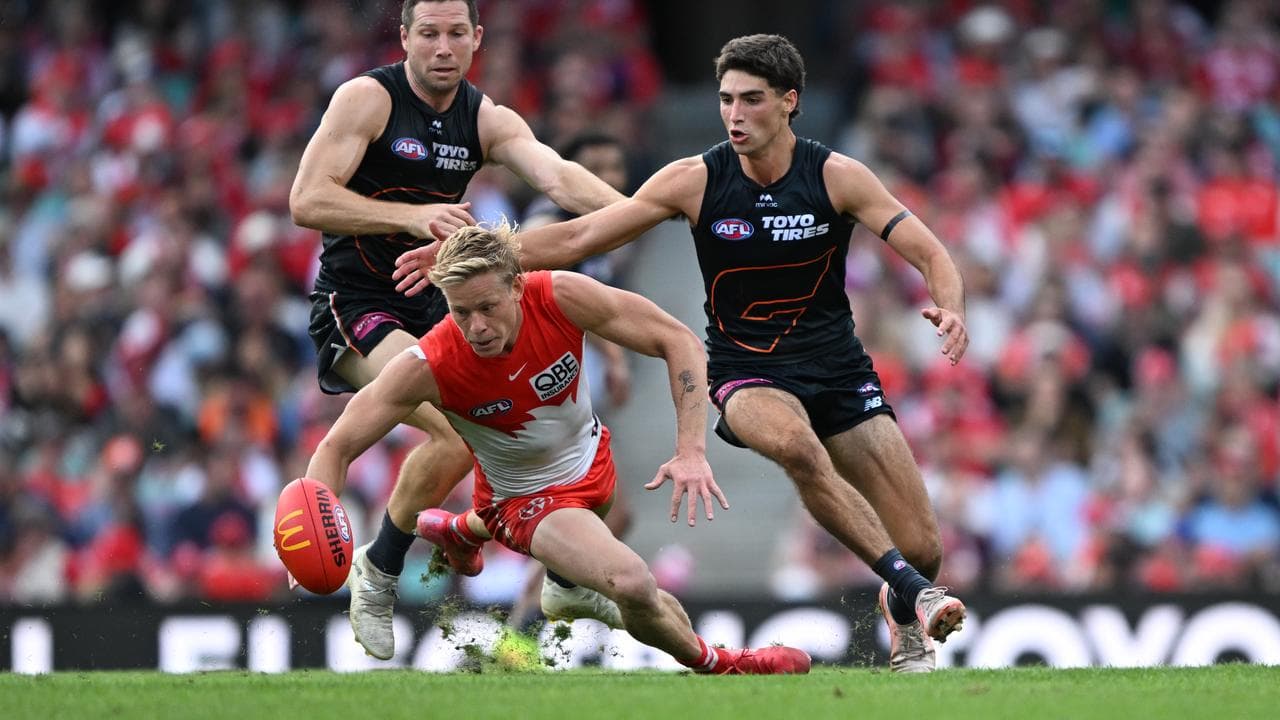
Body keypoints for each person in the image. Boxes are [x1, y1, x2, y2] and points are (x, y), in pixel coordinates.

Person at [395, 33, 968, 673]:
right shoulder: (695, 179)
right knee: (799, 449)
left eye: (752, 100)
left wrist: (950, 305)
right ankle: (916, 594)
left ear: (789, 102)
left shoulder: (836, 176)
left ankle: (905, 592)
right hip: (748, 374)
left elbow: (928, 250)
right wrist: (472, 255)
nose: (734, 115)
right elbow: (581, 235)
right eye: (726, 100)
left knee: (923, 547)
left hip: (839, 369)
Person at [305, 223, 810, 675]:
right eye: (461, 312)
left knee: (657, 603)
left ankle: (503, 554)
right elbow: (337, 445)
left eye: (487, 307)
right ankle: (725, 665)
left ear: (517, 286)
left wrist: (691, 450)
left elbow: (677, 340)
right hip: (524, 503)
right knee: (634, 585)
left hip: (594, 465)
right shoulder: (428, 363)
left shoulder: (560, 295)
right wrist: (311, 527)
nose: (476, 327)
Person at [287, 0, 624, 660]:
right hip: (358, 303)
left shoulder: (486, 118)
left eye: (455, 34)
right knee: (454, 426)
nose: (442, 47)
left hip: (444, 306)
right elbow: (306, 200)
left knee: (515, 427)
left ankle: (523, 561)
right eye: (429, 33)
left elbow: (559, 176)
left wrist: (649, 210)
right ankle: (381, 573)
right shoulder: (368, 100)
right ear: (405, 38)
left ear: (476, 39)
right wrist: (412, 217)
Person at [508, 132, 636, 629]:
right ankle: (527, 624)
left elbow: (581, 300)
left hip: (558, 389)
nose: (608, 178)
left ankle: (527, 624)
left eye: (615, 167)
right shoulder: (551, 222)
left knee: (608, 514)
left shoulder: (600, 232)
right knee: (597, 512)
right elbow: (525, 272)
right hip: (532, 390)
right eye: (594, 168)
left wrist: (612, 356)